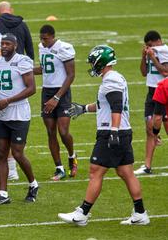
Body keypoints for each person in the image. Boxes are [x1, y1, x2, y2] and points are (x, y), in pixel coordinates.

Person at [59, 45, 150, 226]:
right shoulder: (114, 78)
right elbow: (105, 104)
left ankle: (82, 213)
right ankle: (140, 213)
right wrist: (84, 108)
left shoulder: (111, 80)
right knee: (126, 172)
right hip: (121, 131)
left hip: (112, 131)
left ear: (101, 61)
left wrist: (113, 132)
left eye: (94, 61)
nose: (92, 65)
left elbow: (116, 106)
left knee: (95, 171)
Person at [0, 34, 39, 204]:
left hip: (19, 113)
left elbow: (32, 88)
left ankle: (33, 184)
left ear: (15, 45)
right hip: (2, 113)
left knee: (18, 153)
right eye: (2, 44)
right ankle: (3, 193)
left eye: (8, 44)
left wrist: (9, 100)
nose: (4, 46)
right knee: (2, 153)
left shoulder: (23, 61)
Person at [34, 25, 77, 180]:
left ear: (53, 36)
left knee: (63, 131)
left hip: (62, 92)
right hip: (47, 91)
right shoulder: (41, 47)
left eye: (45, 38)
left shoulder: (64, 48)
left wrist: (57, 97)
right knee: (50, 131)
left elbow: (71, 75)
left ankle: (72, 156)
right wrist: (25, 70)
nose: (42, 41)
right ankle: (59, 168)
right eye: (41, 38)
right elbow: (45, 68)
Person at [134, 31, 168, 175]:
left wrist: (153, 58)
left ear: (157, 41)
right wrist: (144, 57)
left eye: (149, 45)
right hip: (151, 93)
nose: (148, 47)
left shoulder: (164, 51)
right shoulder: (150, 51)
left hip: (164, 92)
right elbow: (143, 73)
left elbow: (165, 72)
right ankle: (147, 166)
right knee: (149, 129)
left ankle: (157, 136)